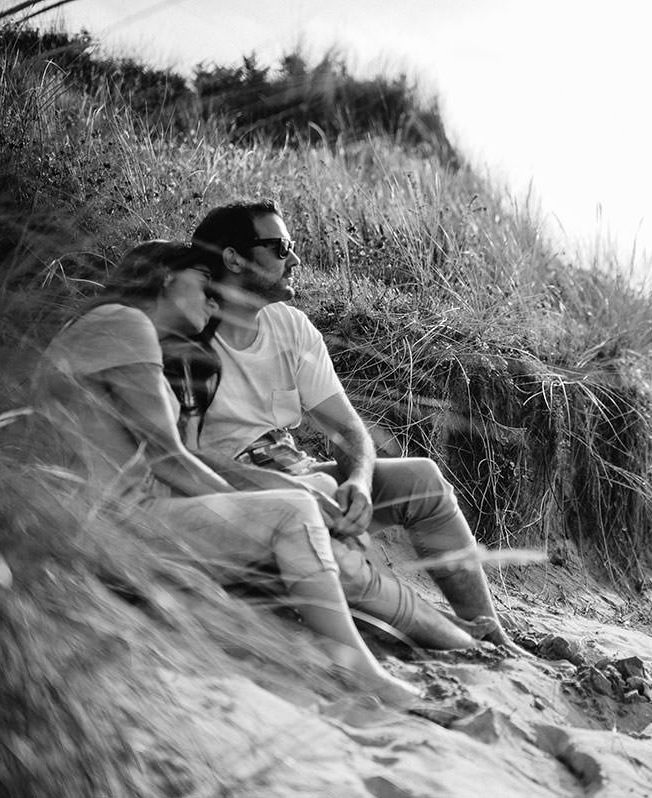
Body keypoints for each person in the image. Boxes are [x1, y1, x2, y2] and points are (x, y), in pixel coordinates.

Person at [37, 240, 420, 706]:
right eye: (204, 283)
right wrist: (249, 507)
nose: (214, 300)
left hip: (112, 519)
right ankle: (361, 673)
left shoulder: (121, 331)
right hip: (111, 525)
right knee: (291, 510)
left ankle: (330, 640)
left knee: (297, 504)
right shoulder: (124, 322)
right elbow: (168, 458)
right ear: (164, 277)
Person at [187, 200, 522, 653]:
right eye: (281, 247)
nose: (296, 260)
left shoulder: (291, 328)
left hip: (297, 471)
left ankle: (490, 630)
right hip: (238, 494)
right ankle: (452, 637)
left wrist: (361, 483)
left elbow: (347, 430)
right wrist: (303, 488)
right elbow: (175, 451)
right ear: (233, 258)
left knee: (422, 480)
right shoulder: (188, 331)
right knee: (323, 506)